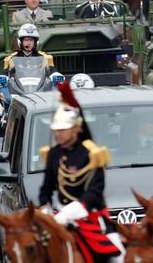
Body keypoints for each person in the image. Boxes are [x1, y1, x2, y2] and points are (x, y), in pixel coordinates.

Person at [38, 83, 124, 259]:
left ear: (75, 129)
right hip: (59, 217)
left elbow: (94, 192)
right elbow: (46, 188)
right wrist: (45, 209)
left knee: (118, 256)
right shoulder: (54, 154)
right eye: (56, 130)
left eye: (63, 130)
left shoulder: (92, 153)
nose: (58, 135)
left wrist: (68, 213)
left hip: (91, 218)